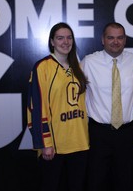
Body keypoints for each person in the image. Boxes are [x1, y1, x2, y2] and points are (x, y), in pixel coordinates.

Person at [26, 22, 89, 191]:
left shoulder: (78, 67)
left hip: (80, 142)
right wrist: (45, 143)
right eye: (60, 38)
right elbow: (37, 108)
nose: (65, 42)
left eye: (69, 38)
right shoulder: (42, 67)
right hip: (55, 146)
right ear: (52, 42)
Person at [80, 22, 133, 191]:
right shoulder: (89, 62)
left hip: (126, 133)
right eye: (111, 37)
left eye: (120, 37)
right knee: (96, 181)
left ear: (125, 39)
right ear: (102, 40)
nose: (115, 42)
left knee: (125, 181)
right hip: (98, 134)